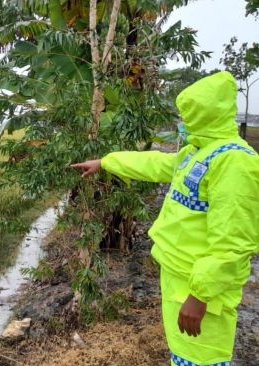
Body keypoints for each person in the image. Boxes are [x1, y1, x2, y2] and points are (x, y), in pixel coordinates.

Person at [71, 71, 259, 366]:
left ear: (206, 114)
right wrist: (106, 162)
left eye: (188, 115)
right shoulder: (198, 152)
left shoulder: (234, 161)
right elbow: (156, 163)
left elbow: (234, 241)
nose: (182, 122)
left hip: (201, 289)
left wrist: (200, 296)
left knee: (203, 359)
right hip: (179, 276)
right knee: (182, 355)